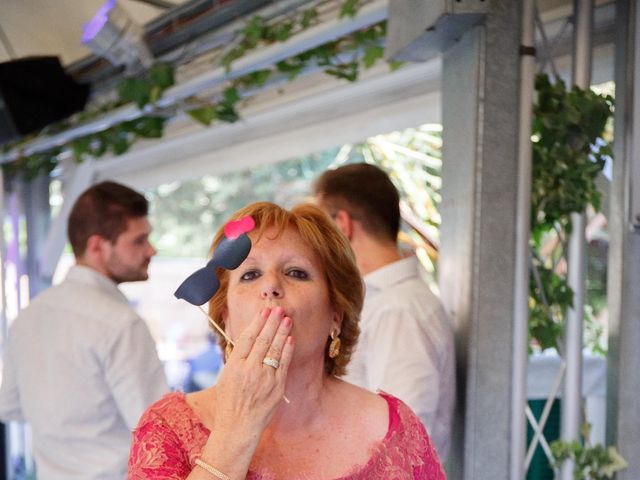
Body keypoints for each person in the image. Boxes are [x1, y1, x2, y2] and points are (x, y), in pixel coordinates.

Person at [128, 202, 445, 479]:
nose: (271, 287)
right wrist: (237, 431)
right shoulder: (168, 428)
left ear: (336, 314)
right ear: (224, 318)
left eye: (296, 272)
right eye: (251, 275)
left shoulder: (394, 429)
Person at [0, 181, 169, 480]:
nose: (151, 250)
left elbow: (10, 406)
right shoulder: (120, 323)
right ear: (96, 246)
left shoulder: (28, 316)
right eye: (139, 241)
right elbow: (157, 432)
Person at [313, 163, 455, 461]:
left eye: (322, 229)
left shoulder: (400, 309)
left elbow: (403, 439)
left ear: (342, 224)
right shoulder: (384, 303)